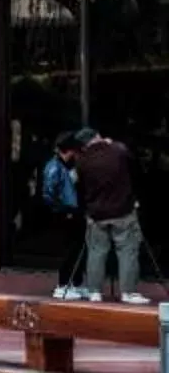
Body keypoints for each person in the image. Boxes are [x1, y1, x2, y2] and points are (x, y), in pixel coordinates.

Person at [63, 125, 150, 306]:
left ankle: (94, 291)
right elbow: (135, 168)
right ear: (98, 136)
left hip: (96, 214)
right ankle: (129, 292)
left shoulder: (82, 161)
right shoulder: (118, 150)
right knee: (127, 252)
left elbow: (79, 185)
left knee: (96, 252)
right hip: (123, 210)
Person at [42, 137, 87, 300]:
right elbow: (48, 193)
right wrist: (62, 209)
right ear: (70, 150)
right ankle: (63, 285)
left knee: (76, 248)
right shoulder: (54, 167)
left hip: (72, 211)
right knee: (69, 250)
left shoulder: (63, 166)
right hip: (65, 212)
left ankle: (75, 283)